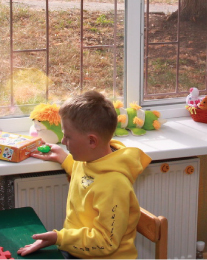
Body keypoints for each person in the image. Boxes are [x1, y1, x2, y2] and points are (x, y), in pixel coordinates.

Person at [17, 91, 151, 259]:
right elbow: (87, 179)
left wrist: (59, 238)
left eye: (68, 137)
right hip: (77, 249)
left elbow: (106, 242)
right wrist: (65, 159)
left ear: (92, 141)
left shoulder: (114, 185)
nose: (64, 142)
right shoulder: (90, 159)